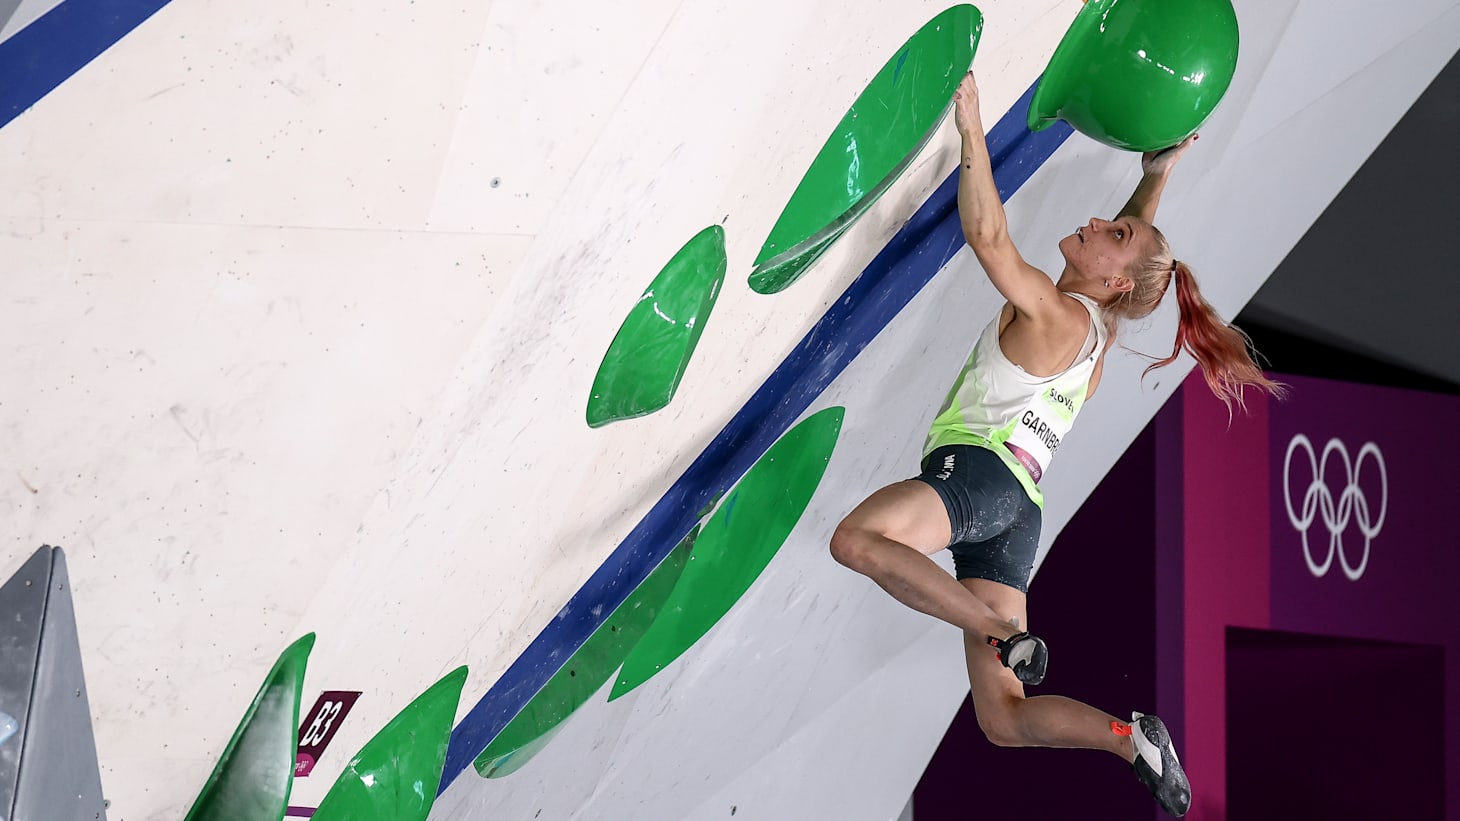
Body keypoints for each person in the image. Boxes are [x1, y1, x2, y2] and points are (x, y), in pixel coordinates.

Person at [828, 73, 1285, 817]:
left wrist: (971, 129)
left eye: (1114, 234)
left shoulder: (1058, 313)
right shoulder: (1097, 334)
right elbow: (1133, 262)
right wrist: (1155, 179)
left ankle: (996, 630)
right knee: (1003, 719)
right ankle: (1126, 740)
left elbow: (989, 239)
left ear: (1114, 278)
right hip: (1020, 510)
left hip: (981, 479)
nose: (1102, 222)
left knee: (857, 540)